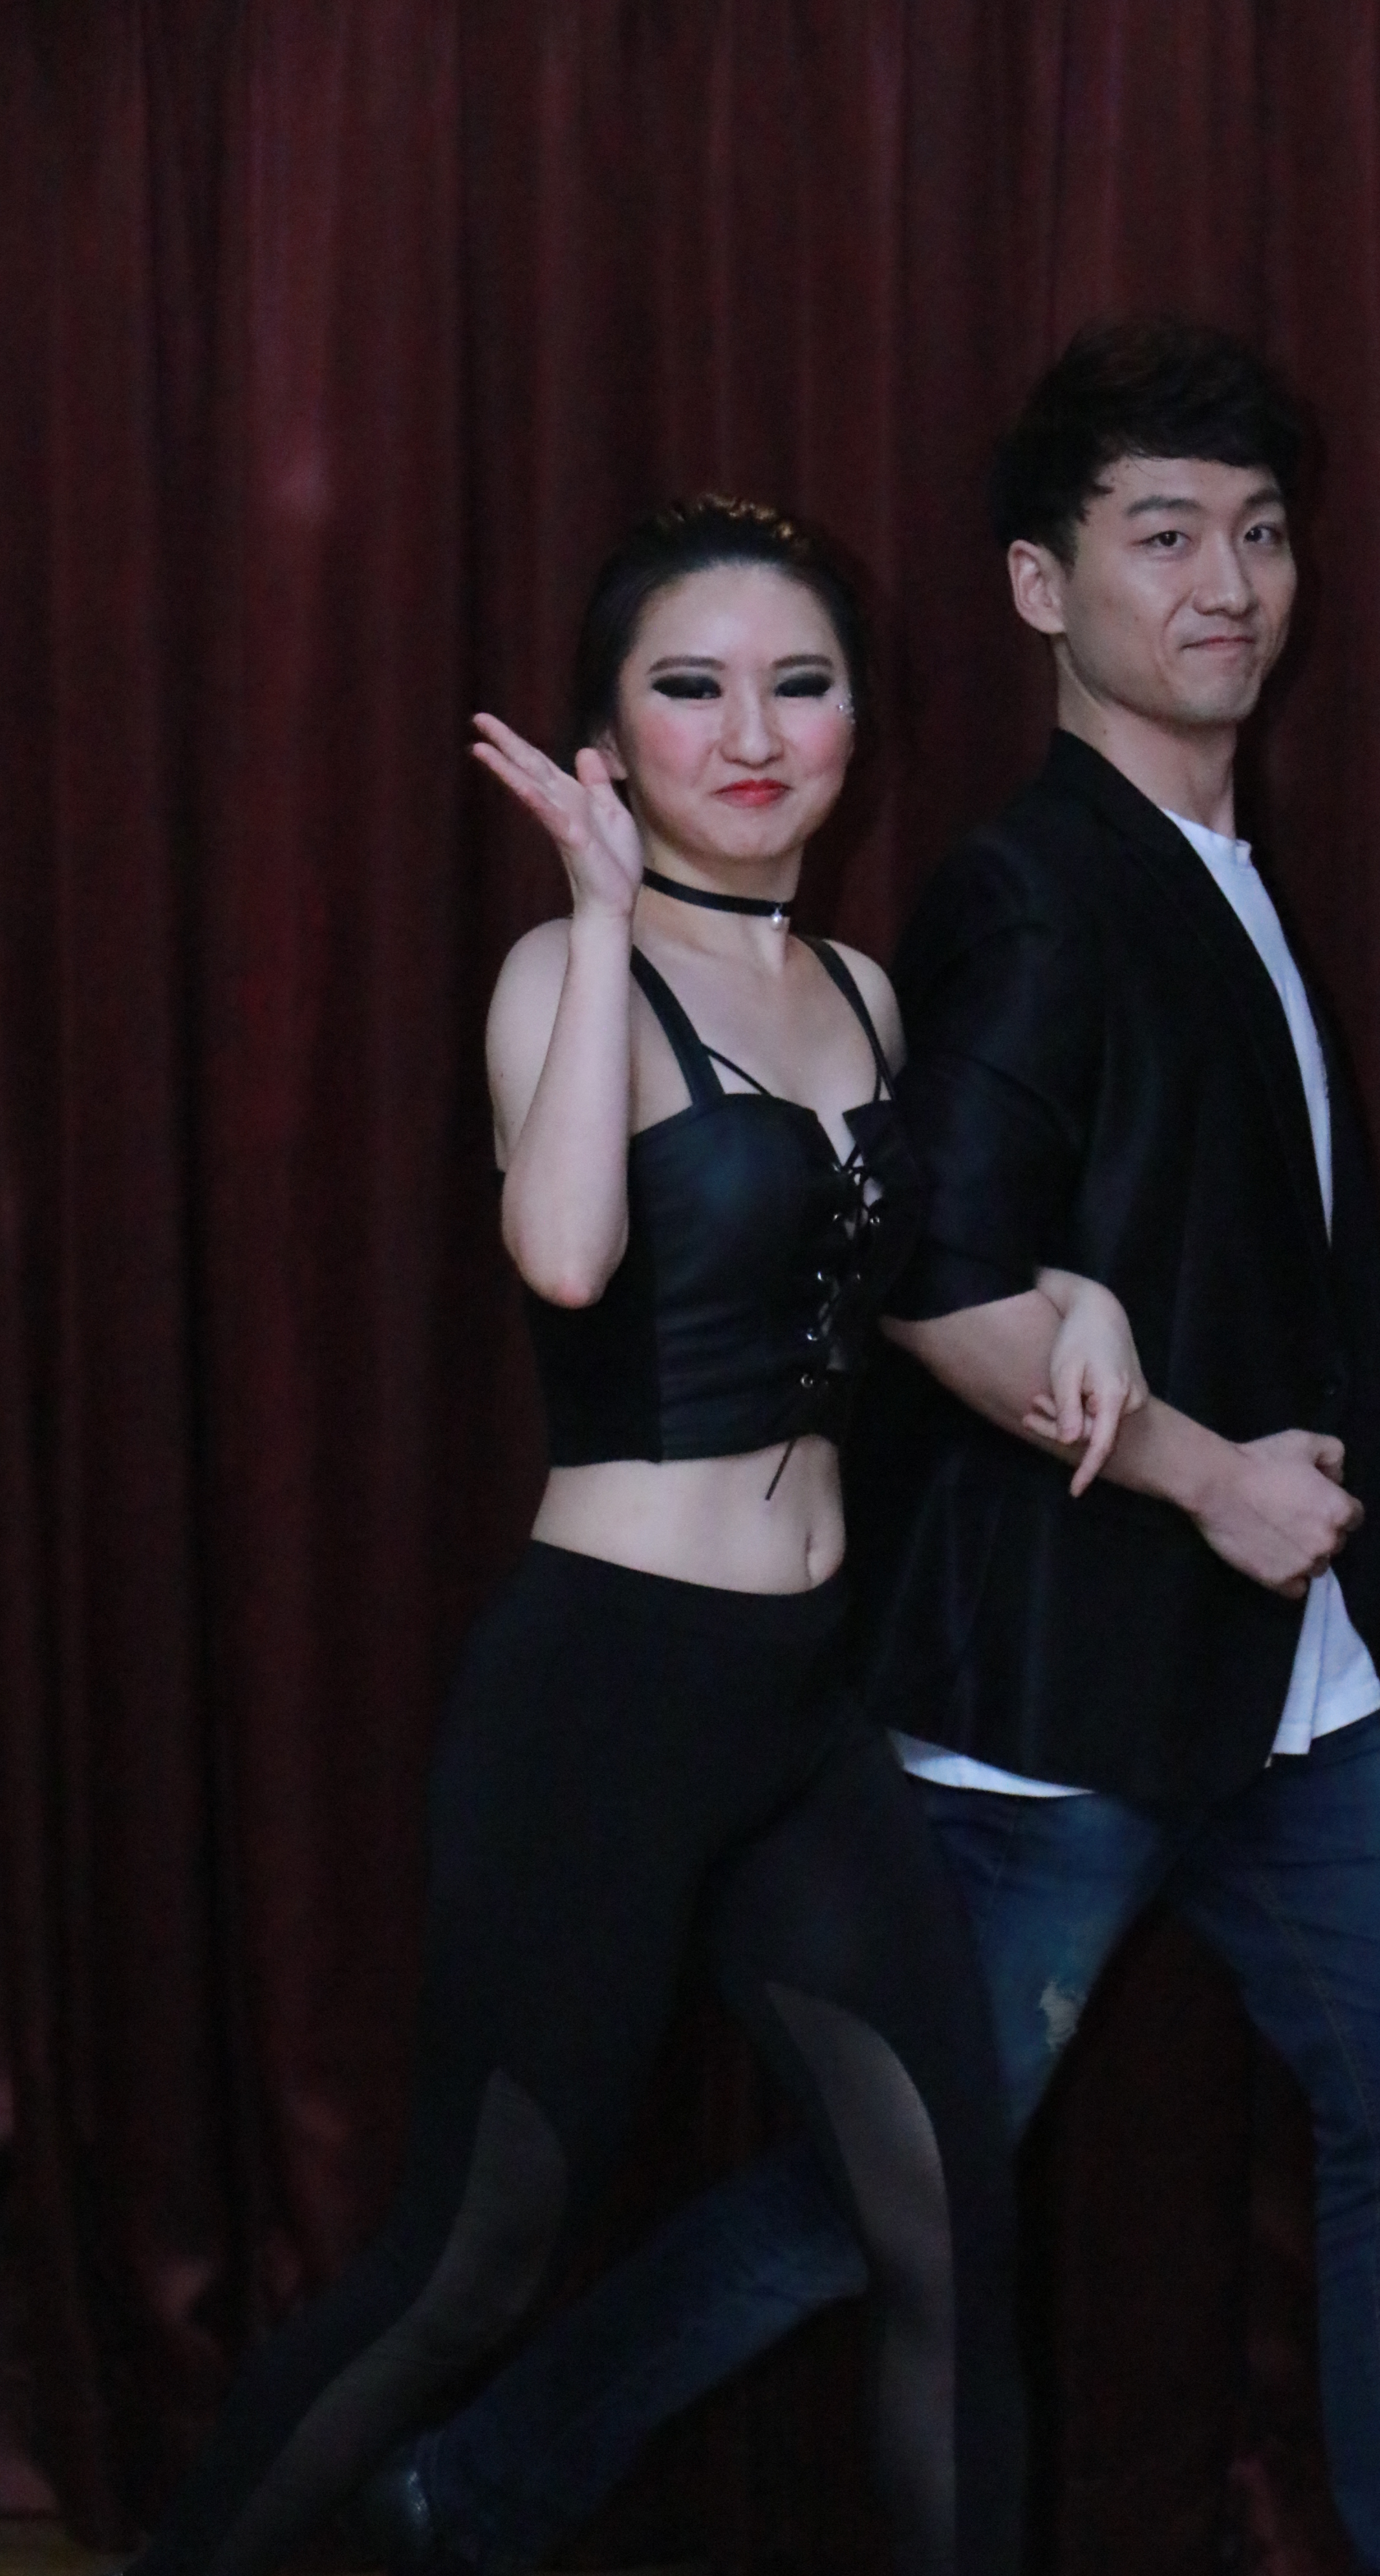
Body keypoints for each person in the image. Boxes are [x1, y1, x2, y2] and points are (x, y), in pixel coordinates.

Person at [358, 327, 1380, 2576]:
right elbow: (930, 1275)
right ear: (1038, 587)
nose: (1227, 585)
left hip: (1284, 1678)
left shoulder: (1221, 866)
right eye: (1163, 536)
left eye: (1262, 535)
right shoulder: (1029, 888)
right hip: (1064, 1686)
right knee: (880, 2206)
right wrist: (1202, 1470)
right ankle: (467, 2487)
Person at [129, 497, 1061, 2576]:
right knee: (469, 2266)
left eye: (801, 685)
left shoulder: (866, 992)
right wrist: (604, 906)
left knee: (945, 2219)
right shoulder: (568, 972)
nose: (755, 733)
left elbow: (893, 1292)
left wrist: (1076, 1317)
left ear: (859, 720)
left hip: (806, 1712)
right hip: (607, 1703)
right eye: (692, 688)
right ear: (612, 736)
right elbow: (562, 1258)